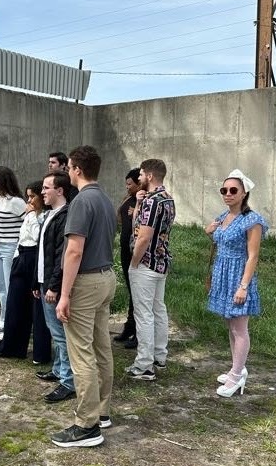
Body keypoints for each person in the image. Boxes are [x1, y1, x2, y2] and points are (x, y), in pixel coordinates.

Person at [52, 146, 116, 449]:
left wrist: (64, 295)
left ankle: (86, 425)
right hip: (106, 277)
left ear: (76, 169)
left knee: (82, 354)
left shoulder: (81, 202)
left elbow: (74, 251)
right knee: (101, 347)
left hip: (86, 283)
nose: (68, 172)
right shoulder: (104, 199)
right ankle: (102, 411)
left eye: (69, 168)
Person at [205, 169, 267, 398]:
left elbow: (253, 256)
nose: (228, 194)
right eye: (224, 190)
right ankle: (236, 367)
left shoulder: (252, 220)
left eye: (233, 190)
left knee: (240, 328)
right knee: (231, 326)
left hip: (239, 276)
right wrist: (209, 231)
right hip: (223, 275)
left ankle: (237, 375)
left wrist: (243, 286)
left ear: (243, 193)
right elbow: (218, 237)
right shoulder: (224, 216)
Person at [0, 181, 51, 361]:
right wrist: (15, 257)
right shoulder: (30, 214)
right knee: (15, 303)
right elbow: (22, 236)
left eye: (32, 196)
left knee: (38, 308)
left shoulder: (45, 215)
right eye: (28, 196)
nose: (29, 200)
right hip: (22, 255)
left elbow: (40, 237)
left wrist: (34, 215)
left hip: (37, 257)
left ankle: (41, 353)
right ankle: (10, 346)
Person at [127, 159, 176, 382]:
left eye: (141, 174)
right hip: (161, 261)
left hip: (145, 264)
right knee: (158, 309)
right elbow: (138, 223)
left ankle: (144, 365)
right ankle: (159, 356)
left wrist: (134, 261)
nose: (138, 178)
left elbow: (143, 236)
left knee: (144, 313)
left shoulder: (152, 202)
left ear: (149, 175)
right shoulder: (167, 199)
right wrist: (138, 203)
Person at [33, 170, 76, 404]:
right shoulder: (50, 214)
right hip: (43, 281)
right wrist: (37, 282)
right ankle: (59, 370)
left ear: (60, 190)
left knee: (60, 335)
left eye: (46, 188)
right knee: (54, 331)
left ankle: (69, 382)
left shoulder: (66, 216)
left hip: (53, 284)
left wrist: (53, 286)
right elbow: (42, 252)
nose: (42, 192)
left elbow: (62, 256)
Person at [0, 166, 26, 337]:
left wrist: (20, 247)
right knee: (1, 288)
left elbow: (28, 223)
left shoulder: (17, 202)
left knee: (11, 288)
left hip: (11, 247)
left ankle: (13, 326)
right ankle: (4, 323)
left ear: (3, 180)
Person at [113, 168, 141, 348]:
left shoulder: (142, 201)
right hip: (124, 249)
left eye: (130, 184)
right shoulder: (128, 200)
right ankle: (129, 326)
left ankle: (138, 330)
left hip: (134, 251)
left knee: (137, 292)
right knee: (131, 290)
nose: (127, 187)